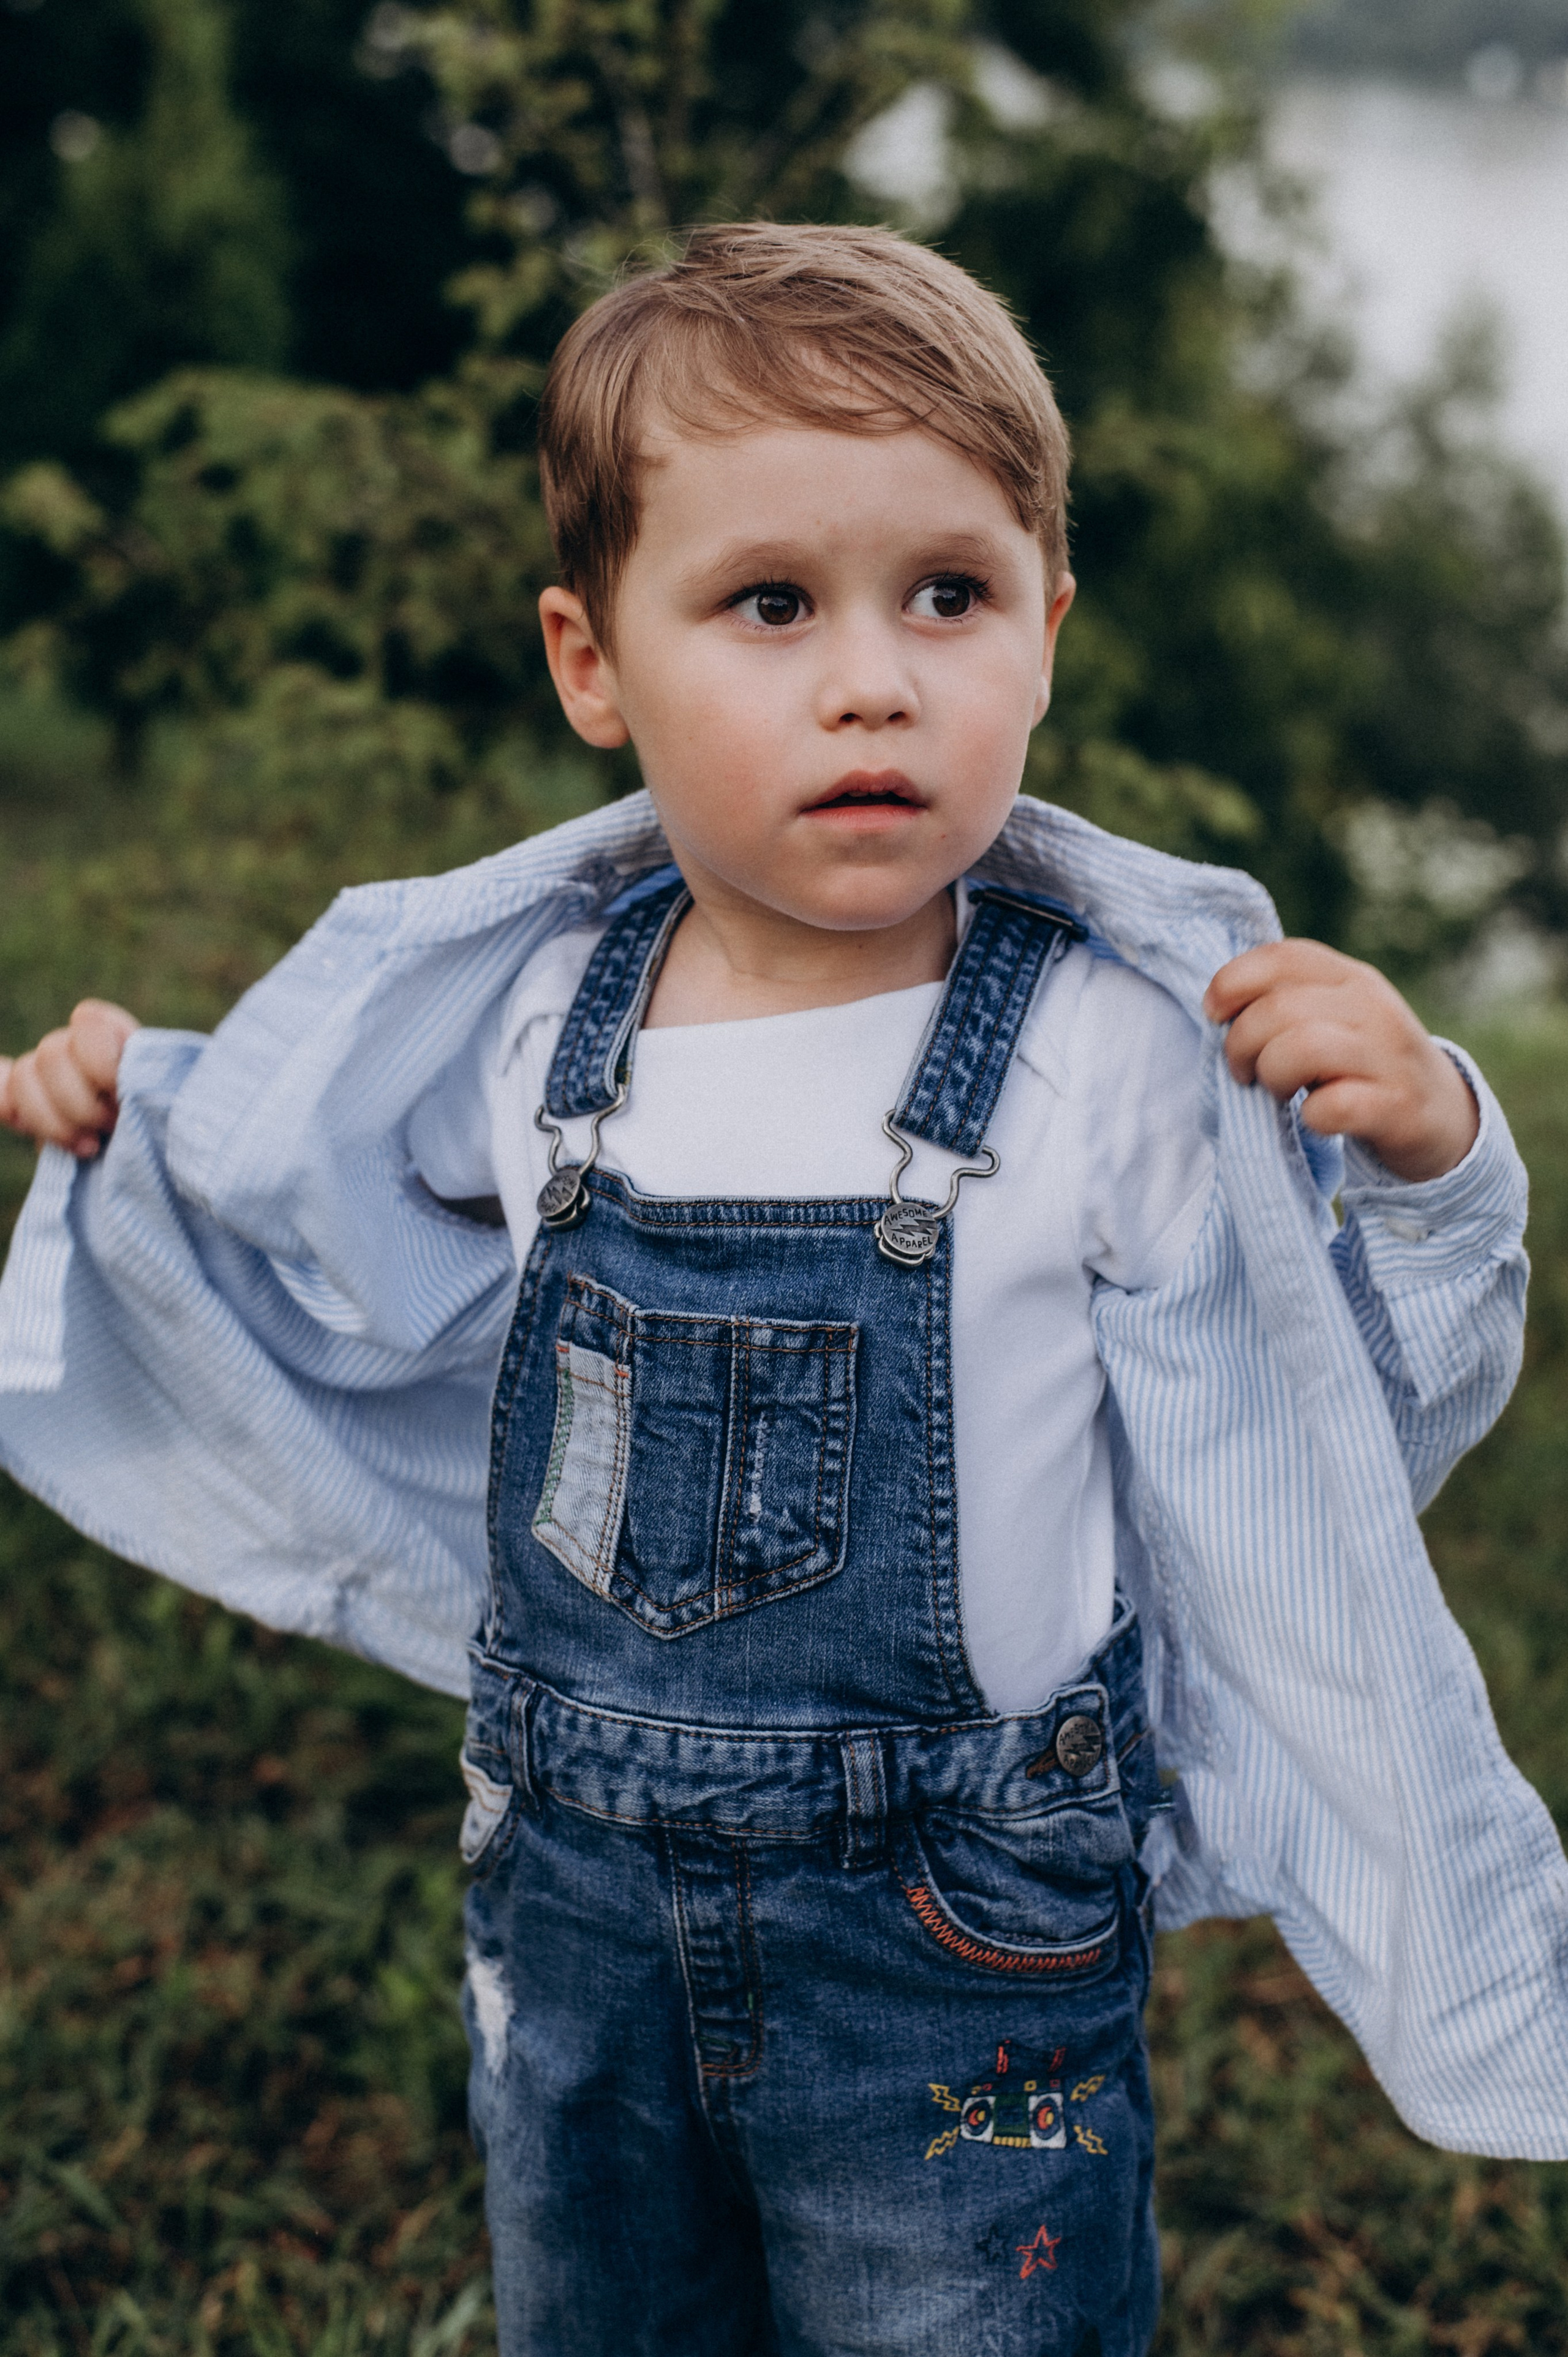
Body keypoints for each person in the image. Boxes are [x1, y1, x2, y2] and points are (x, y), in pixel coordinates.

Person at [0, 224, 1564, 2357]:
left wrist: (1433, 1152)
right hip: (574, 1910)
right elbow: (317, 1224)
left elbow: (1323, 1437)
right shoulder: (541, 1024)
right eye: (767, 605)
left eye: (950, 594)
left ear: (1047, 633)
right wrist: (139, 1125)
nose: (872, 678)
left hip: (956, 1939)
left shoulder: (1105, 1057)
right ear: (591, 661)